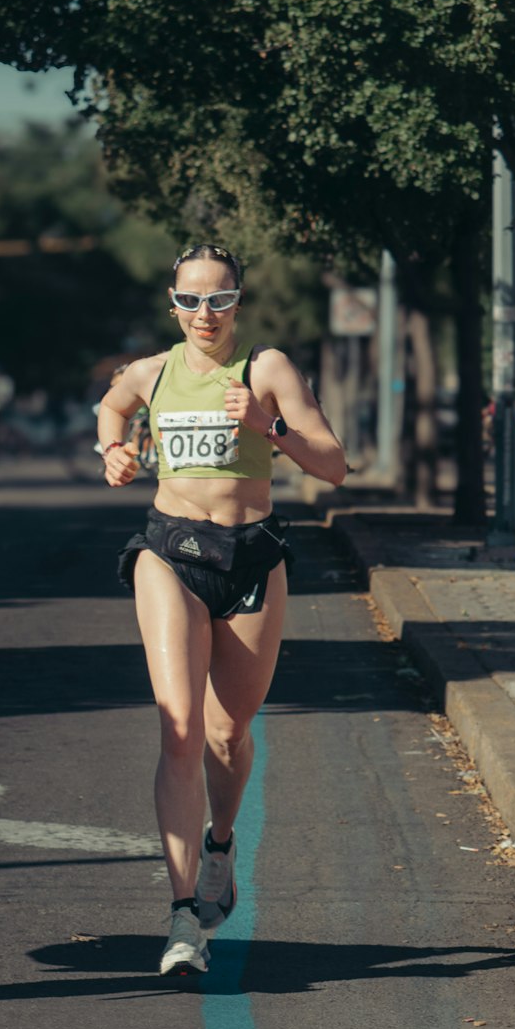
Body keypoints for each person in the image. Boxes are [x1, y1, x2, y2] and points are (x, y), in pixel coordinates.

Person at [98, 243, 347, 976]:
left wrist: (268, 430)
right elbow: (111, 404)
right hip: (169, 551)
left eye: (220, 300)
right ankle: (182, 919)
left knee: (227, 732)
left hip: (251, 557)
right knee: (178, 728)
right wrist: (111, 449)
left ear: (239, 302)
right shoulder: (152, 373)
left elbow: (332, 464)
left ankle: (220, 844)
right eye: (191, 301)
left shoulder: (265, 370)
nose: (205, 314)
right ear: (171, 304)